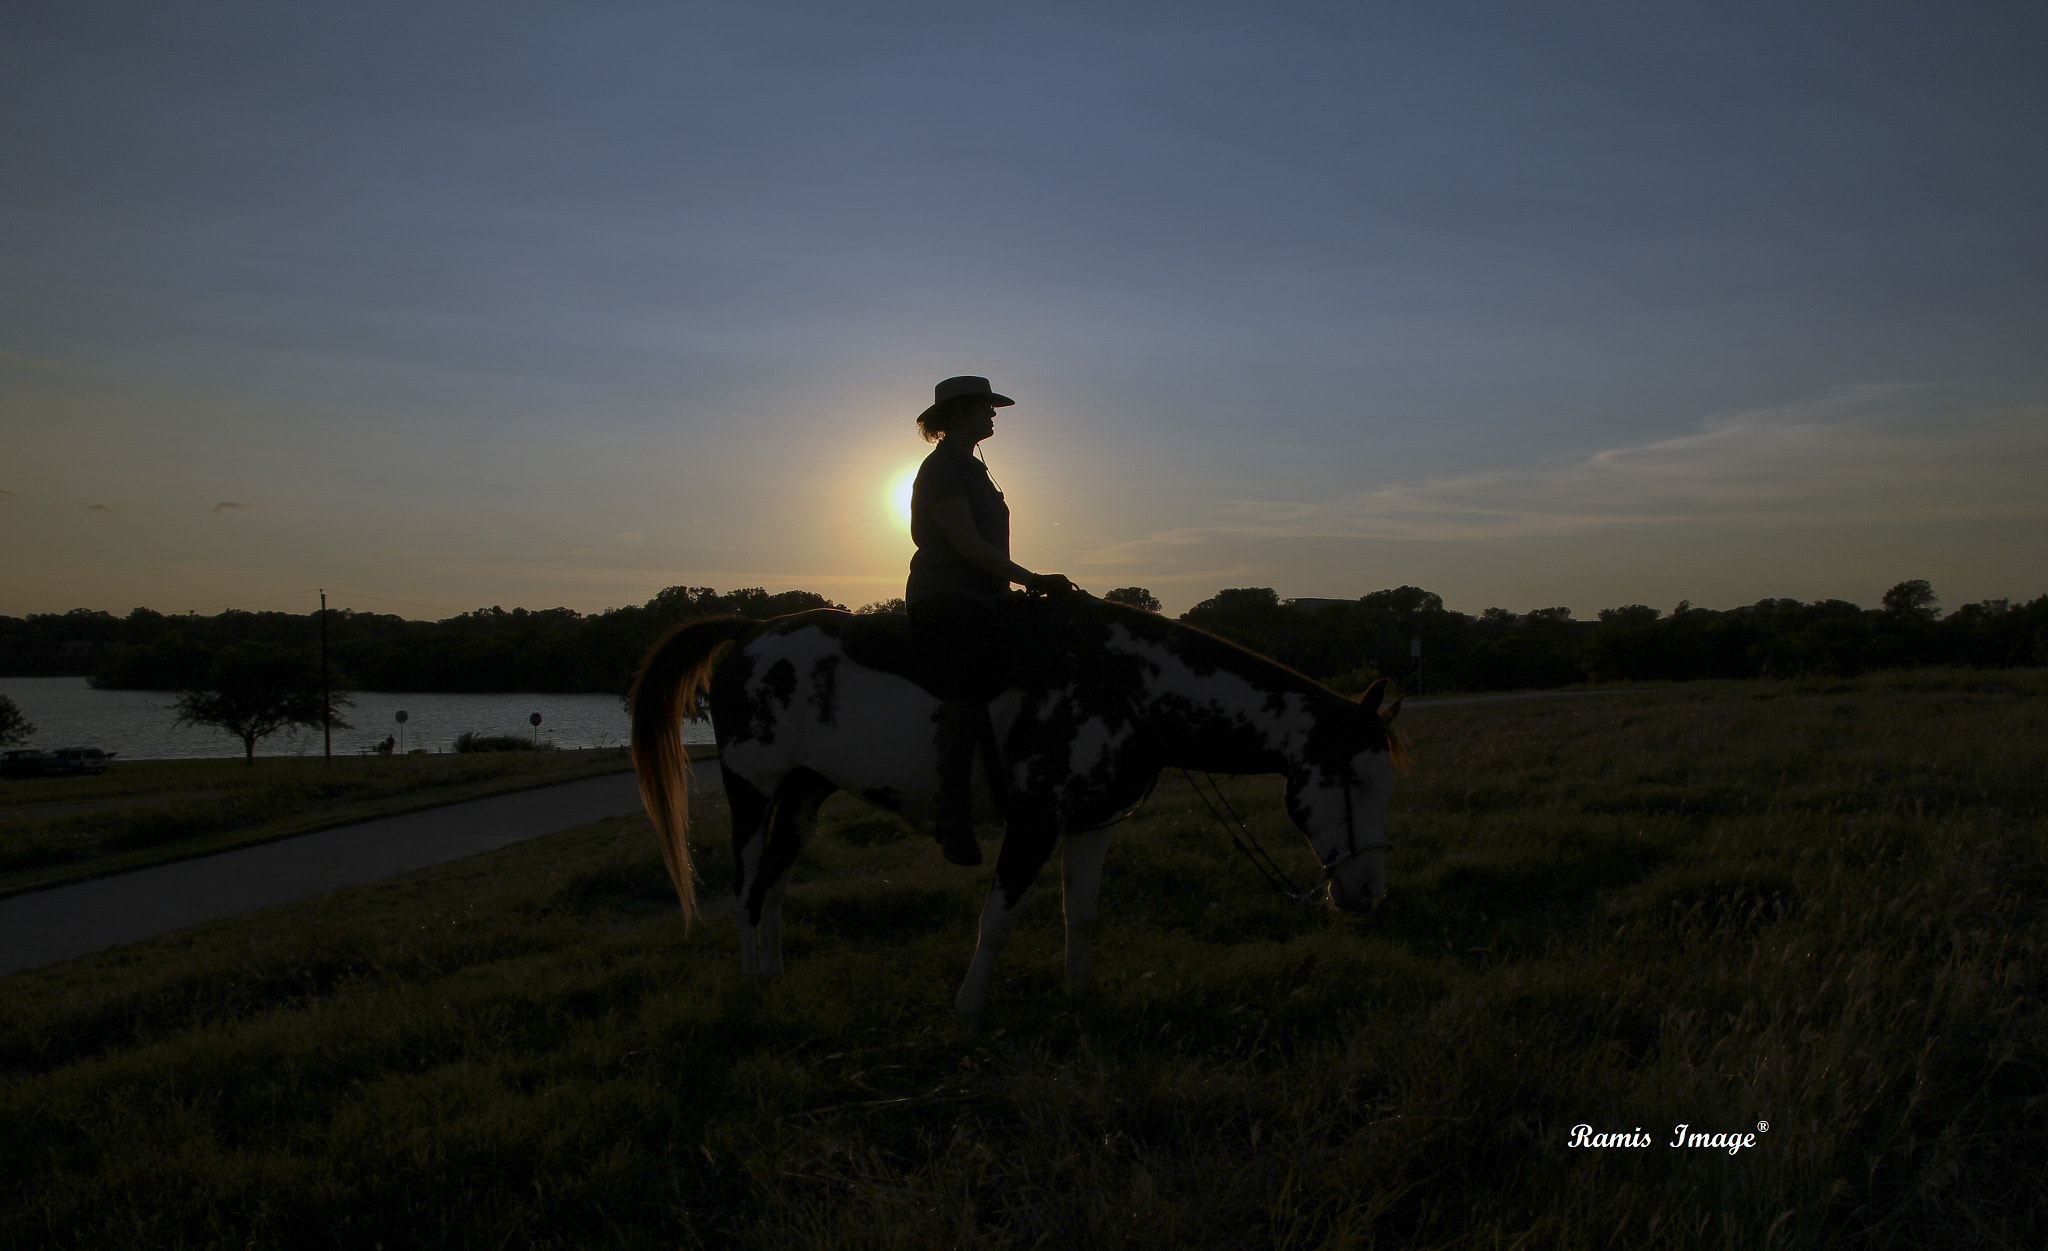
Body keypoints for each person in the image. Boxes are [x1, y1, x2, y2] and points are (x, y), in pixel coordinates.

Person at [906, 375, 1076, 866]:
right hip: (948, 598)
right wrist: (1032, 579)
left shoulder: (971, 468)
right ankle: (952, 818)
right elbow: (967, 545)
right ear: (960, 413)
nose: (995, 414)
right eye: (987, 406)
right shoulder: (942, 469)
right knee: (967, 685)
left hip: (985, 596)